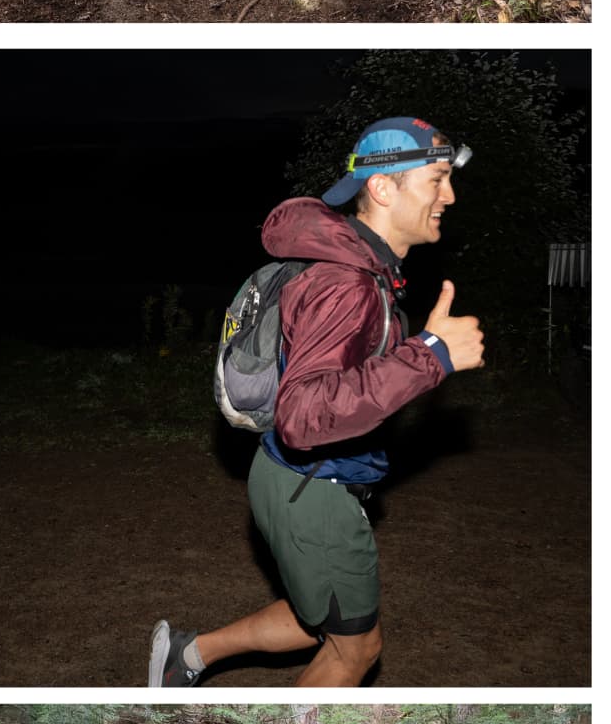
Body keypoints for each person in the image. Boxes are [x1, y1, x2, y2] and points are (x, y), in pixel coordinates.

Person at [150, 118, 483, 688]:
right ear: (382, 187)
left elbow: (340, 373)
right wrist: (429, 356)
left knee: (319, 618)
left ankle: (187, 654)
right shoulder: (346, 282)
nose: (448, 196)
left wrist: (414, 350)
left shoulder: (364, 271)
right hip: (311, 483)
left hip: (300, 478)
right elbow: (303, 416)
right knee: (356, 649)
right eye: (436, 179)